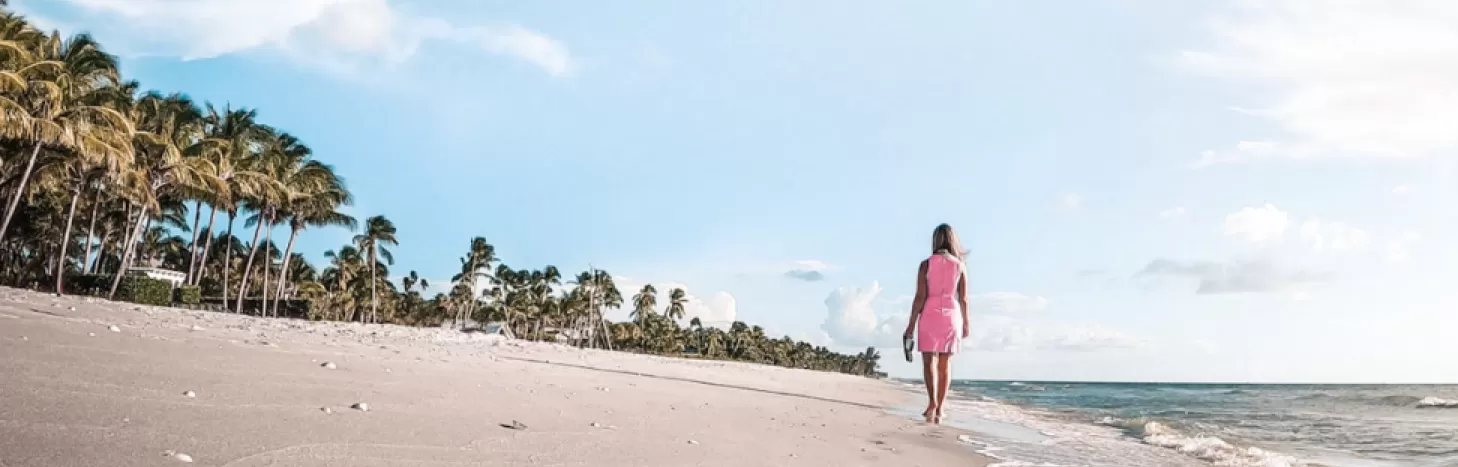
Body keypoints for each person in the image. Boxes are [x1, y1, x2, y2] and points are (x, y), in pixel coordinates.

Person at [902, 223, 969, 424]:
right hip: (951, 314)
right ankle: (940, 407)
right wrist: (966, 323)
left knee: (929, 362)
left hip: (930, 312)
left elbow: (920, 297)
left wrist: (911, 325)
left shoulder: (926, 264)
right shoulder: (959, 265)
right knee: (945, 364)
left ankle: (931, 402)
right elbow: (964, 298)